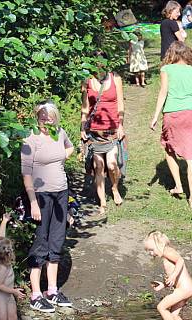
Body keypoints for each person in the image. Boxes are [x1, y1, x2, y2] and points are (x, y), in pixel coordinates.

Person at [21, 101, 74, 313]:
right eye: (43, 116)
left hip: (61, 192)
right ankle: (35, 294)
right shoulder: (30, 138)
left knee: (57, 240)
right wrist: (33, 202)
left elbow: (69, 147)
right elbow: (26, 174)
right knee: (41, 241)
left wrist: (58, 161)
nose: (47, 120)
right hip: (40, 196)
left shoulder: (60, 133)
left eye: (50, 116)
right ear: (37, 117)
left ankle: (52, 291)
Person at [150, 41, 192, 209]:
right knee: (191, 158)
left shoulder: (166, 70)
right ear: (187, 54)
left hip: (171, 114)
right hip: (190, 113)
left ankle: (179, 186)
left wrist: (155, 116)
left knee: (169, 150)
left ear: (172, 54)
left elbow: (163, 93)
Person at [81, 56, 125, 215]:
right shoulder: (87, 81)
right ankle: (103, 203)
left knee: (112, 165)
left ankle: (114, 188)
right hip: (95, 133)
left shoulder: (115, 79)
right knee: (98, 167)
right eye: (95, 62)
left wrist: (120, 125)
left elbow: (120, 103)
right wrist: (82, 128)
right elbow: (85, 108)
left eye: (101, 61)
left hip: (112, 131)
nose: (99, 65)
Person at [144, 230, 192, 320]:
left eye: (152, 250)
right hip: (186, 288)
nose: (151, 253)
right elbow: (175, 277)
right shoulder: (165, 256)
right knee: (173, 314)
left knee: (161, 307)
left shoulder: (167, 251)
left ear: (160, 244)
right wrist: (163, 284)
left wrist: (172, 276)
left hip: (184, 288)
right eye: (148, 251)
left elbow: (180, 260)